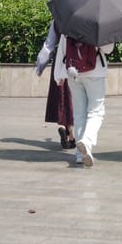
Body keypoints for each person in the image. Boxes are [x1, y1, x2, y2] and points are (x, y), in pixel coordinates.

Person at [56, 36, 114, 167]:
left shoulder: (70, 20)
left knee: (79, 114)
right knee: (96, 112)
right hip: (95, 71)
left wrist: (58, 74)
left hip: (73, 72)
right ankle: (86, 142)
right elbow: (109, 49)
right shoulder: (99, 21)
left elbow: (62, 49)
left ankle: (79, 155)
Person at [35, 20, 75, 149]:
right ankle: (72, 136)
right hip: (77, 61)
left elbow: (49, 45)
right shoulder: (84, 16)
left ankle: (63, 126)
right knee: (74, 98)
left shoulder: (59, 18)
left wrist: (40, 66)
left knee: (62, 95)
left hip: (60, 61)